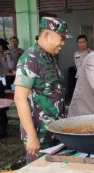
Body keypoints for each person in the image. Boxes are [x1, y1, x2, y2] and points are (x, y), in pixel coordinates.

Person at [14, 17, 69, 162]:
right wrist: (31, 136)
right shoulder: (30, 59)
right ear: (46, 35)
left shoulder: (49, 57)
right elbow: (20, 98)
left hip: (56, 132)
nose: (63, 43)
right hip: (40, 136)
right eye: (61, 38)